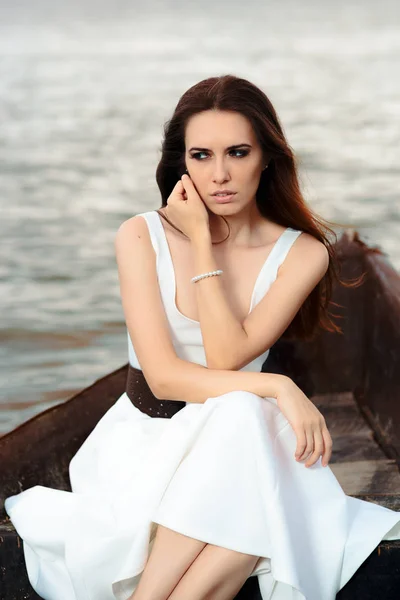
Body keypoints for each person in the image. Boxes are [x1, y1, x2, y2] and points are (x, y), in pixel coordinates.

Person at [4, 74, 400, 600]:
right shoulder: (140, 235)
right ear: (182, 164)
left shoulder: (304, 253)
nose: (220, 175)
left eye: (237, 152)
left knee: (240, 417)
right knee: (252, 463)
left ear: (267, 158)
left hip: (244, 441)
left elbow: (226, 357)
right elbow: (165, 379)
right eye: (201, 155)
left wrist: (202, 246)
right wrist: (280, 388)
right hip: (148, 445)